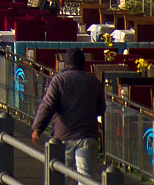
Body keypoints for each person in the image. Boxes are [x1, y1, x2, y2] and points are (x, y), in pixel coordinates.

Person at [30, 47, 105, 177]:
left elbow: (47, 105)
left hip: (64, 134)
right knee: (85, 175)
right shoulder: (94, 82)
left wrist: (38, 127)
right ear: (83, 62)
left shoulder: (59, 80)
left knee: (62, 175)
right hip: (87, 134)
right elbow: (101, 109)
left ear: (66, 62)